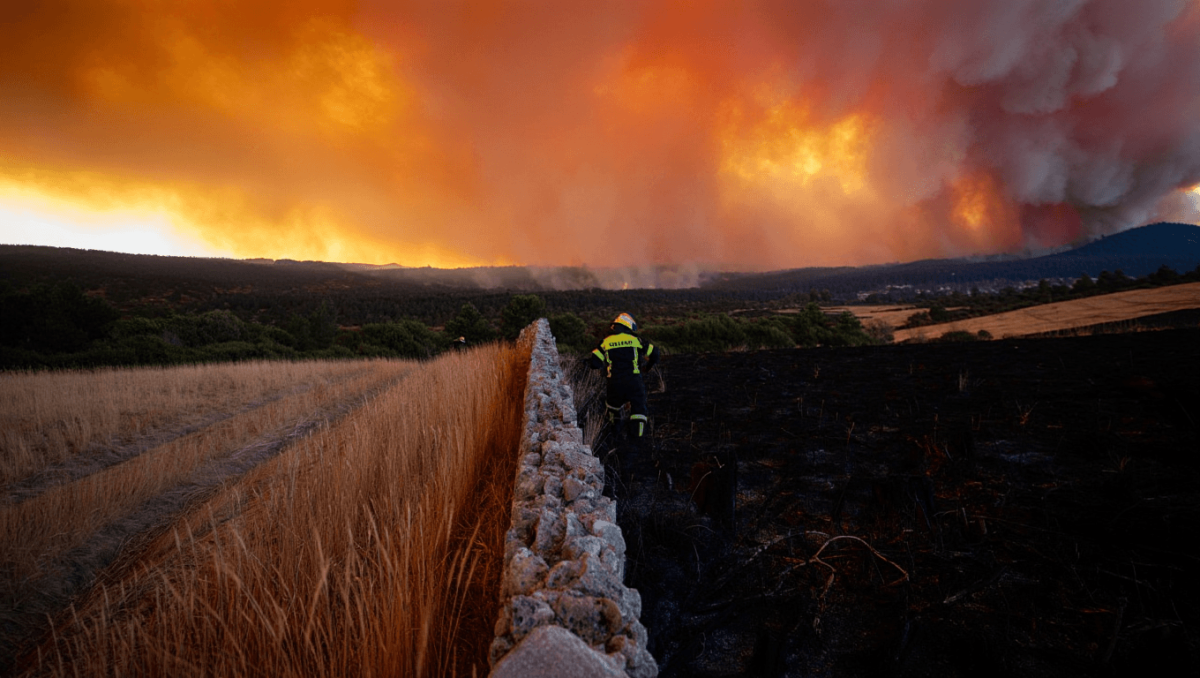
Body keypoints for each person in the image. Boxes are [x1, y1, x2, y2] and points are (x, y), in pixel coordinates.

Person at [587, 312, 658, 438]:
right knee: (639, 409)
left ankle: (615, 436)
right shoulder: (637, 341)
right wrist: (647, 367)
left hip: (614, 383)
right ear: (629, 326)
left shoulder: (606, 342)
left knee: (613, 409)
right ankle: (637, 439)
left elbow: (594, 363)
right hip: (634, 381)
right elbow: (655, 354)